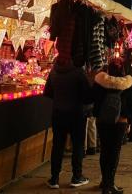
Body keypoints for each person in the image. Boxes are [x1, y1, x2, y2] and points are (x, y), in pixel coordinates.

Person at [43, 59, 91, 189]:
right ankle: (76, 176)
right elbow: (87, 96)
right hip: (76, 114)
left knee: (57, 146)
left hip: (58, 113)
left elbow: (47, 92)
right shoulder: (78, 72)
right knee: (77, 146)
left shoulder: (53, 71)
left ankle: (54, 178)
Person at [93, 60, 132, 194]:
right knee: (114, 153)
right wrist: (129, 121)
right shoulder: (128, 83)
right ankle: (109, 184)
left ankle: (105, 181)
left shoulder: (100, 81)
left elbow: (93, 99)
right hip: (120, 122)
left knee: (104, 151)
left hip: (102, 120)